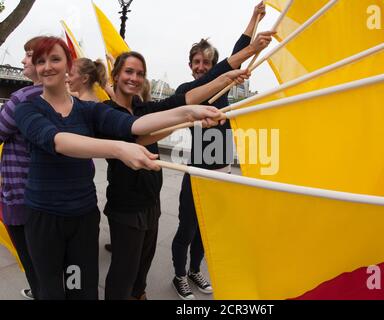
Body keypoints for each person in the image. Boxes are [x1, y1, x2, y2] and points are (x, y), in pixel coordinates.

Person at [13, 36, 226, 300]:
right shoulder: (26, 109)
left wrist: (188, 114)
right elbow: (56, 141)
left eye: (55, 59)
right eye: (41, 61)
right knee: (51, 289)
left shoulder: (87, 110)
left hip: (82, 216)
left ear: (68, 64)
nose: (47, 67)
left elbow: (132, 125)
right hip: (44, 216)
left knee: (80, 286)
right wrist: (118, 149)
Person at [102, 51, 249, 300]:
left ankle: (140, 294)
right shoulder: (106, 112)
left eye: (140, 73)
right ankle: (167, 280)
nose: (135, 78)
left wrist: (226, 79)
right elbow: (137, 135)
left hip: (151, 202)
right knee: (123, 271)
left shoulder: (142, 107)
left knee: (142, 267)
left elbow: (183, 100)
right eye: (128, 72)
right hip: (126, 207)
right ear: (115, 76)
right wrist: (187, 118)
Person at [171, 2, 273, 300]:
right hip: (198, 172)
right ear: (190, 65)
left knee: (207, 229)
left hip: (223, 172)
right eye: (197, 62)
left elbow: (237, 57)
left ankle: (194, 270)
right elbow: (229, 65)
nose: (201, 67)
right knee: (187, 227)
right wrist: (232, 63)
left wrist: (255, 17)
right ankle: (179, 276)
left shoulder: (223, 87)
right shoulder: (185, 92)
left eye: (206, 62)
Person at [0, 36, 45, 300]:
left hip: (18, 195)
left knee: (31, 260)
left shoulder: (20, 99)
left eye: (29, 54)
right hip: (46, 195)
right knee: (47, 258)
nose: (22, 60)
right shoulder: (63, 98)